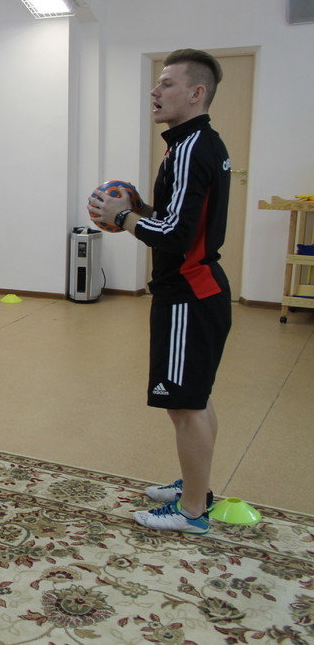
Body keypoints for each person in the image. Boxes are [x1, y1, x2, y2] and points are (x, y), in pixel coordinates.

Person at [88, 48, 231, 534]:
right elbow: (176, 220)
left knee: (186, 403)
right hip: (194, 290)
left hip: (189, 294)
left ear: (196, 93)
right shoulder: (192, 144)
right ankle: (196, 488)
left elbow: (175, 236)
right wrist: (145, 209)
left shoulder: (191, 148)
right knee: (193, 399)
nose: (155, 90)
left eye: (168, 83)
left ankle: (192, 511)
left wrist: (124, 217)